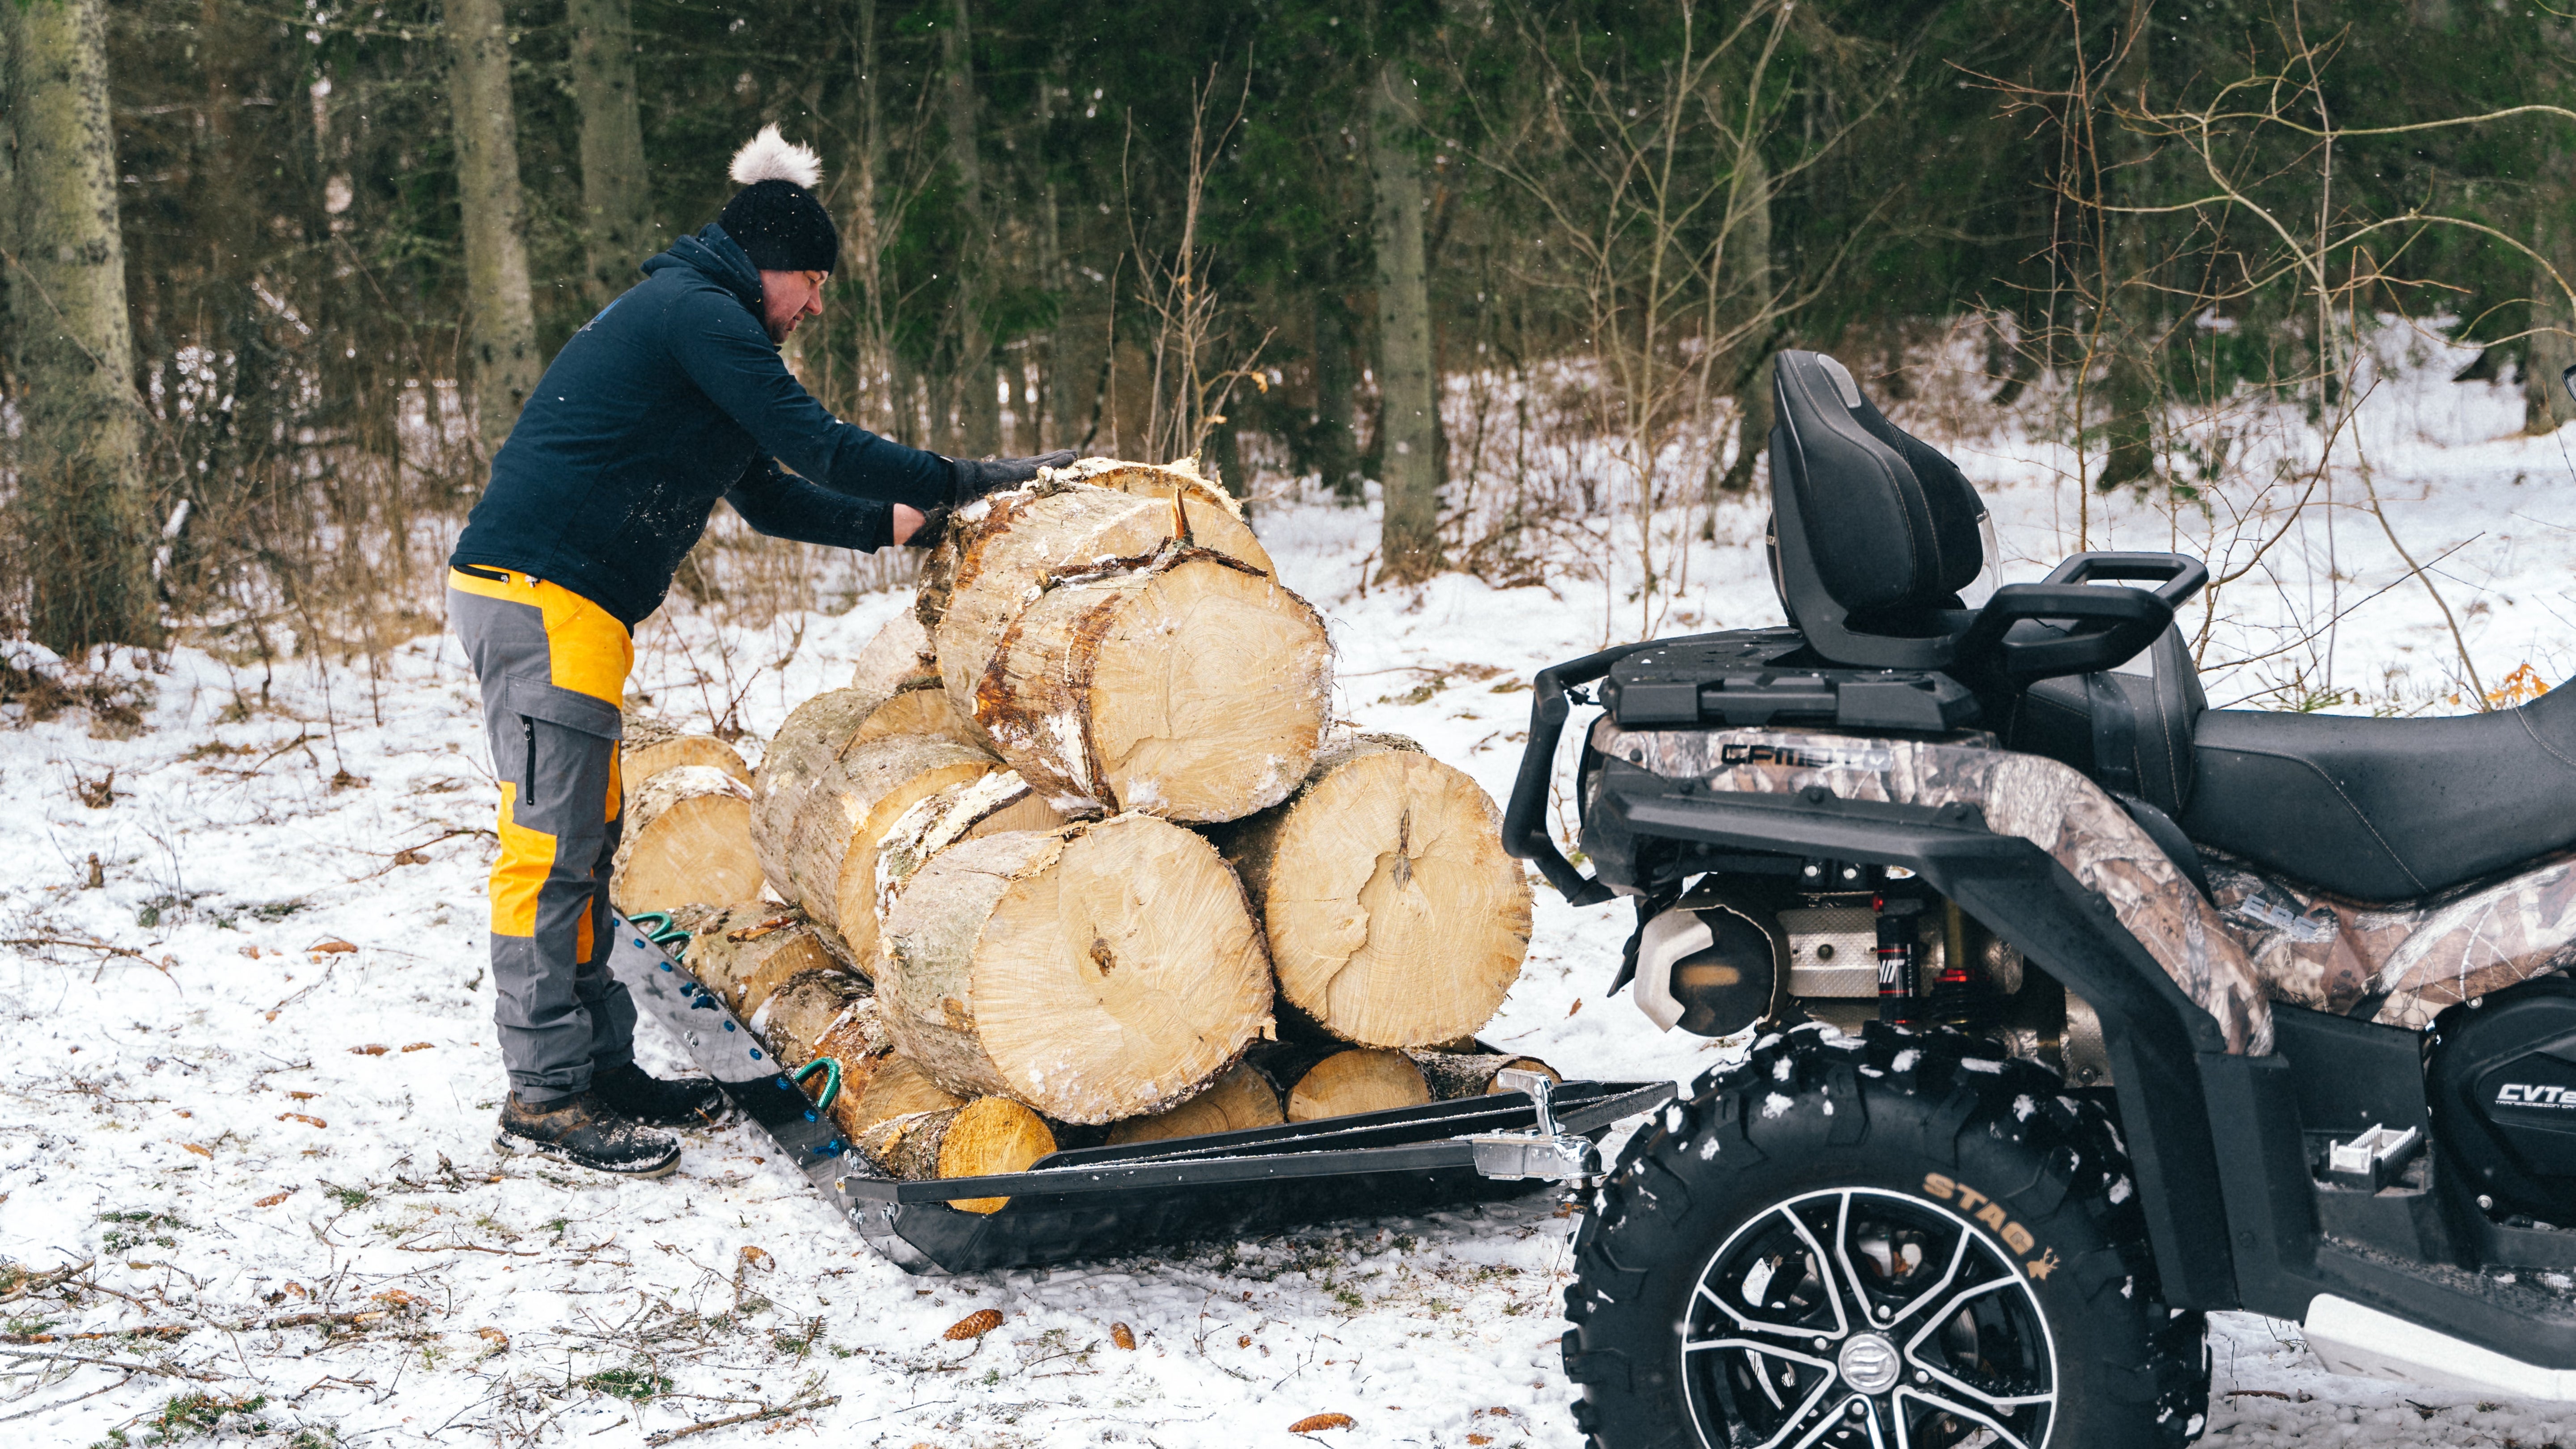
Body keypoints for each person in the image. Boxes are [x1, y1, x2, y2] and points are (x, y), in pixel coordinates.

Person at [446, 125, 1070, 1176]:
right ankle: (546, 1096)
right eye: (813, 282)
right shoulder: (698, 314)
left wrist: (897, 524)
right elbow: (816, 441)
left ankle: (598, 1068)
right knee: (549, 851)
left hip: (565, 605)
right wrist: (972, 477)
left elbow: (772, 496)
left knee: (585, 839)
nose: (817, 305)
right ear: (771, 265)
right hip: (539, 598)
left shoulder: (695, 330)